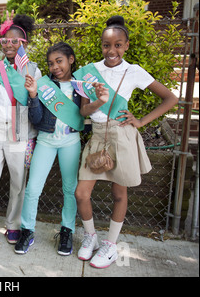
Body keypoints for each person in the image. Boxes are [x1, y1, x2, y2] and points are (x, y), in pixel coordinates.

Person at [74, 16, 177, 268]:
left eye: (118, 45)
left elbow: (170, 98)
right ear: (101, 46)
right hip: (98, 135)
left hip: (121, 135)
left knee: (119, 193)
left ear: (126, 45)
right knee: (81, 193)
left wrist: (141, 121)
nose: (112, 51)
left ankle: (110, 245)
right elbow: (83, 112)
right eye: (107, 45)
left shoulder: (134, 71)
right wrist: (97, 101)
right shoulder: (89, 71)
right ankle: (90, 237)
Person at [0, 13, 42, 245]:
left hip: (20, 129)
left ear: (24, 43)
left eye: (15, 41)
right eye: (5, 41)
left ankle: (13, 224)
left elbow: (36, 105)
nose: (10, 45)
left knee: (18, 180)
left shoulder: (33, 70)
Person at [15, 42, 84, 255]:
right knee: (33, 188)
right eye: (51, 63)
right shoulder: (43, 86)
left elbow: (86, 113)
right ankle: (27, 230)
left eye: (59, 61)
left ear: (71, 59)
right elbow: (35, 119)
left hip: (70, 141)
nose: (55, 67)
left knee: (70, 189)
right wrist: (34, 95)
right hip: (45, 140)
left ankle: (66, 231)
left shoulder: (80, 86)